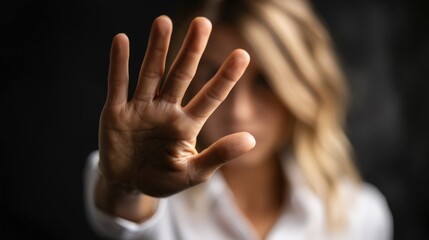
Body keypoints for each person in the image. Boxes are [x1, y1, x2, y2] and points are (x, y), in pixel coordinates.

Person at [84, 0, 393, 239]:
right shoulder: (156, 192)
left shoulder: (359, 215)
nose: (239, 112)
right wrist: (127, 188)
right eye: (214, 77)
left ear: (301, 87)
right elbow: (125, 214)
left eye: (264, 82)